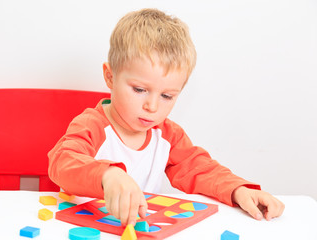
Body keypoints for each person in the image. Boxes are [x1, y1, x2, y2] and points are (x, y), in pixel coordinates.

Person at [48, 8, 284, 227]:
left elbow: (200, 169)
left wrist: (238, 190)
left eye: (167, 96)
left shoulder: (167, 134)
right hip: (77, 229)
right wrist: (108, 175)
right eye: (139, 90)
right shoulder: (92, 125)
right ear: (110, 77)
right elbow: (62, 163)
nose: (152, 106)